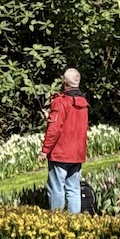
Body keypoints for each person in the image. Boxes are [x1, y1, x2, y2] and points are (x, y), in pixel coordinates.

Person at [38, 68, 89, 213]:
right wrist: (50, 116)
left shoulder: (60, 102)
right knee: (73, 188)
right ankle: (74, 221)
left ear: (64, 82)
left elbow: (55, 129)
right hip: (77, 153)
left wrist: (44, 150)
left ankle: (57, 221)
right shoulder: (83, 103)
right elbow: (72, 124)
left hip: (60, 153)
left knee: (56, 189)